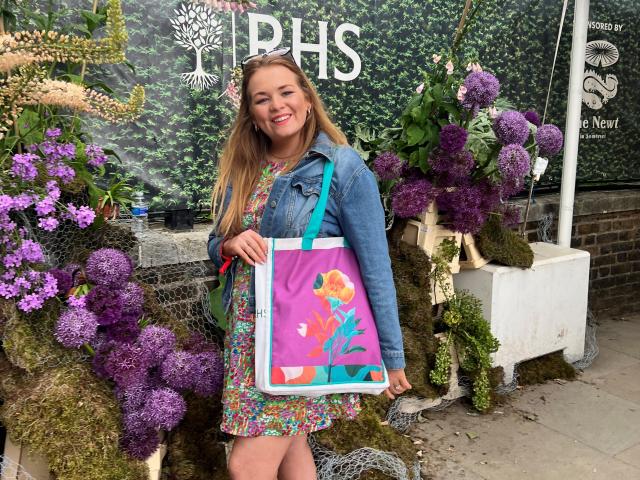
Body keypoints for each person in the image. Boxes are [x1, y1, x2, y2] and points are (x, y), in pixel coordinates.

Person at [208, 47, 411, 480]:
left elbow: (375, 266)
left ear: (305, 95)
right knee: (294, 451)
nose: (276, 106)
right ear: (250, 111)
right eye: (262, 99)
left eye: (285, 92)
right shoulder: (244, 166)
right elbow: (215, 242)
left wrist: (391, 355)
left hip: (301, 340)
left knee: (246, 466)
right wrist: (229, 244)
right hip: (249, 338)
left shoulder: (343, 168)